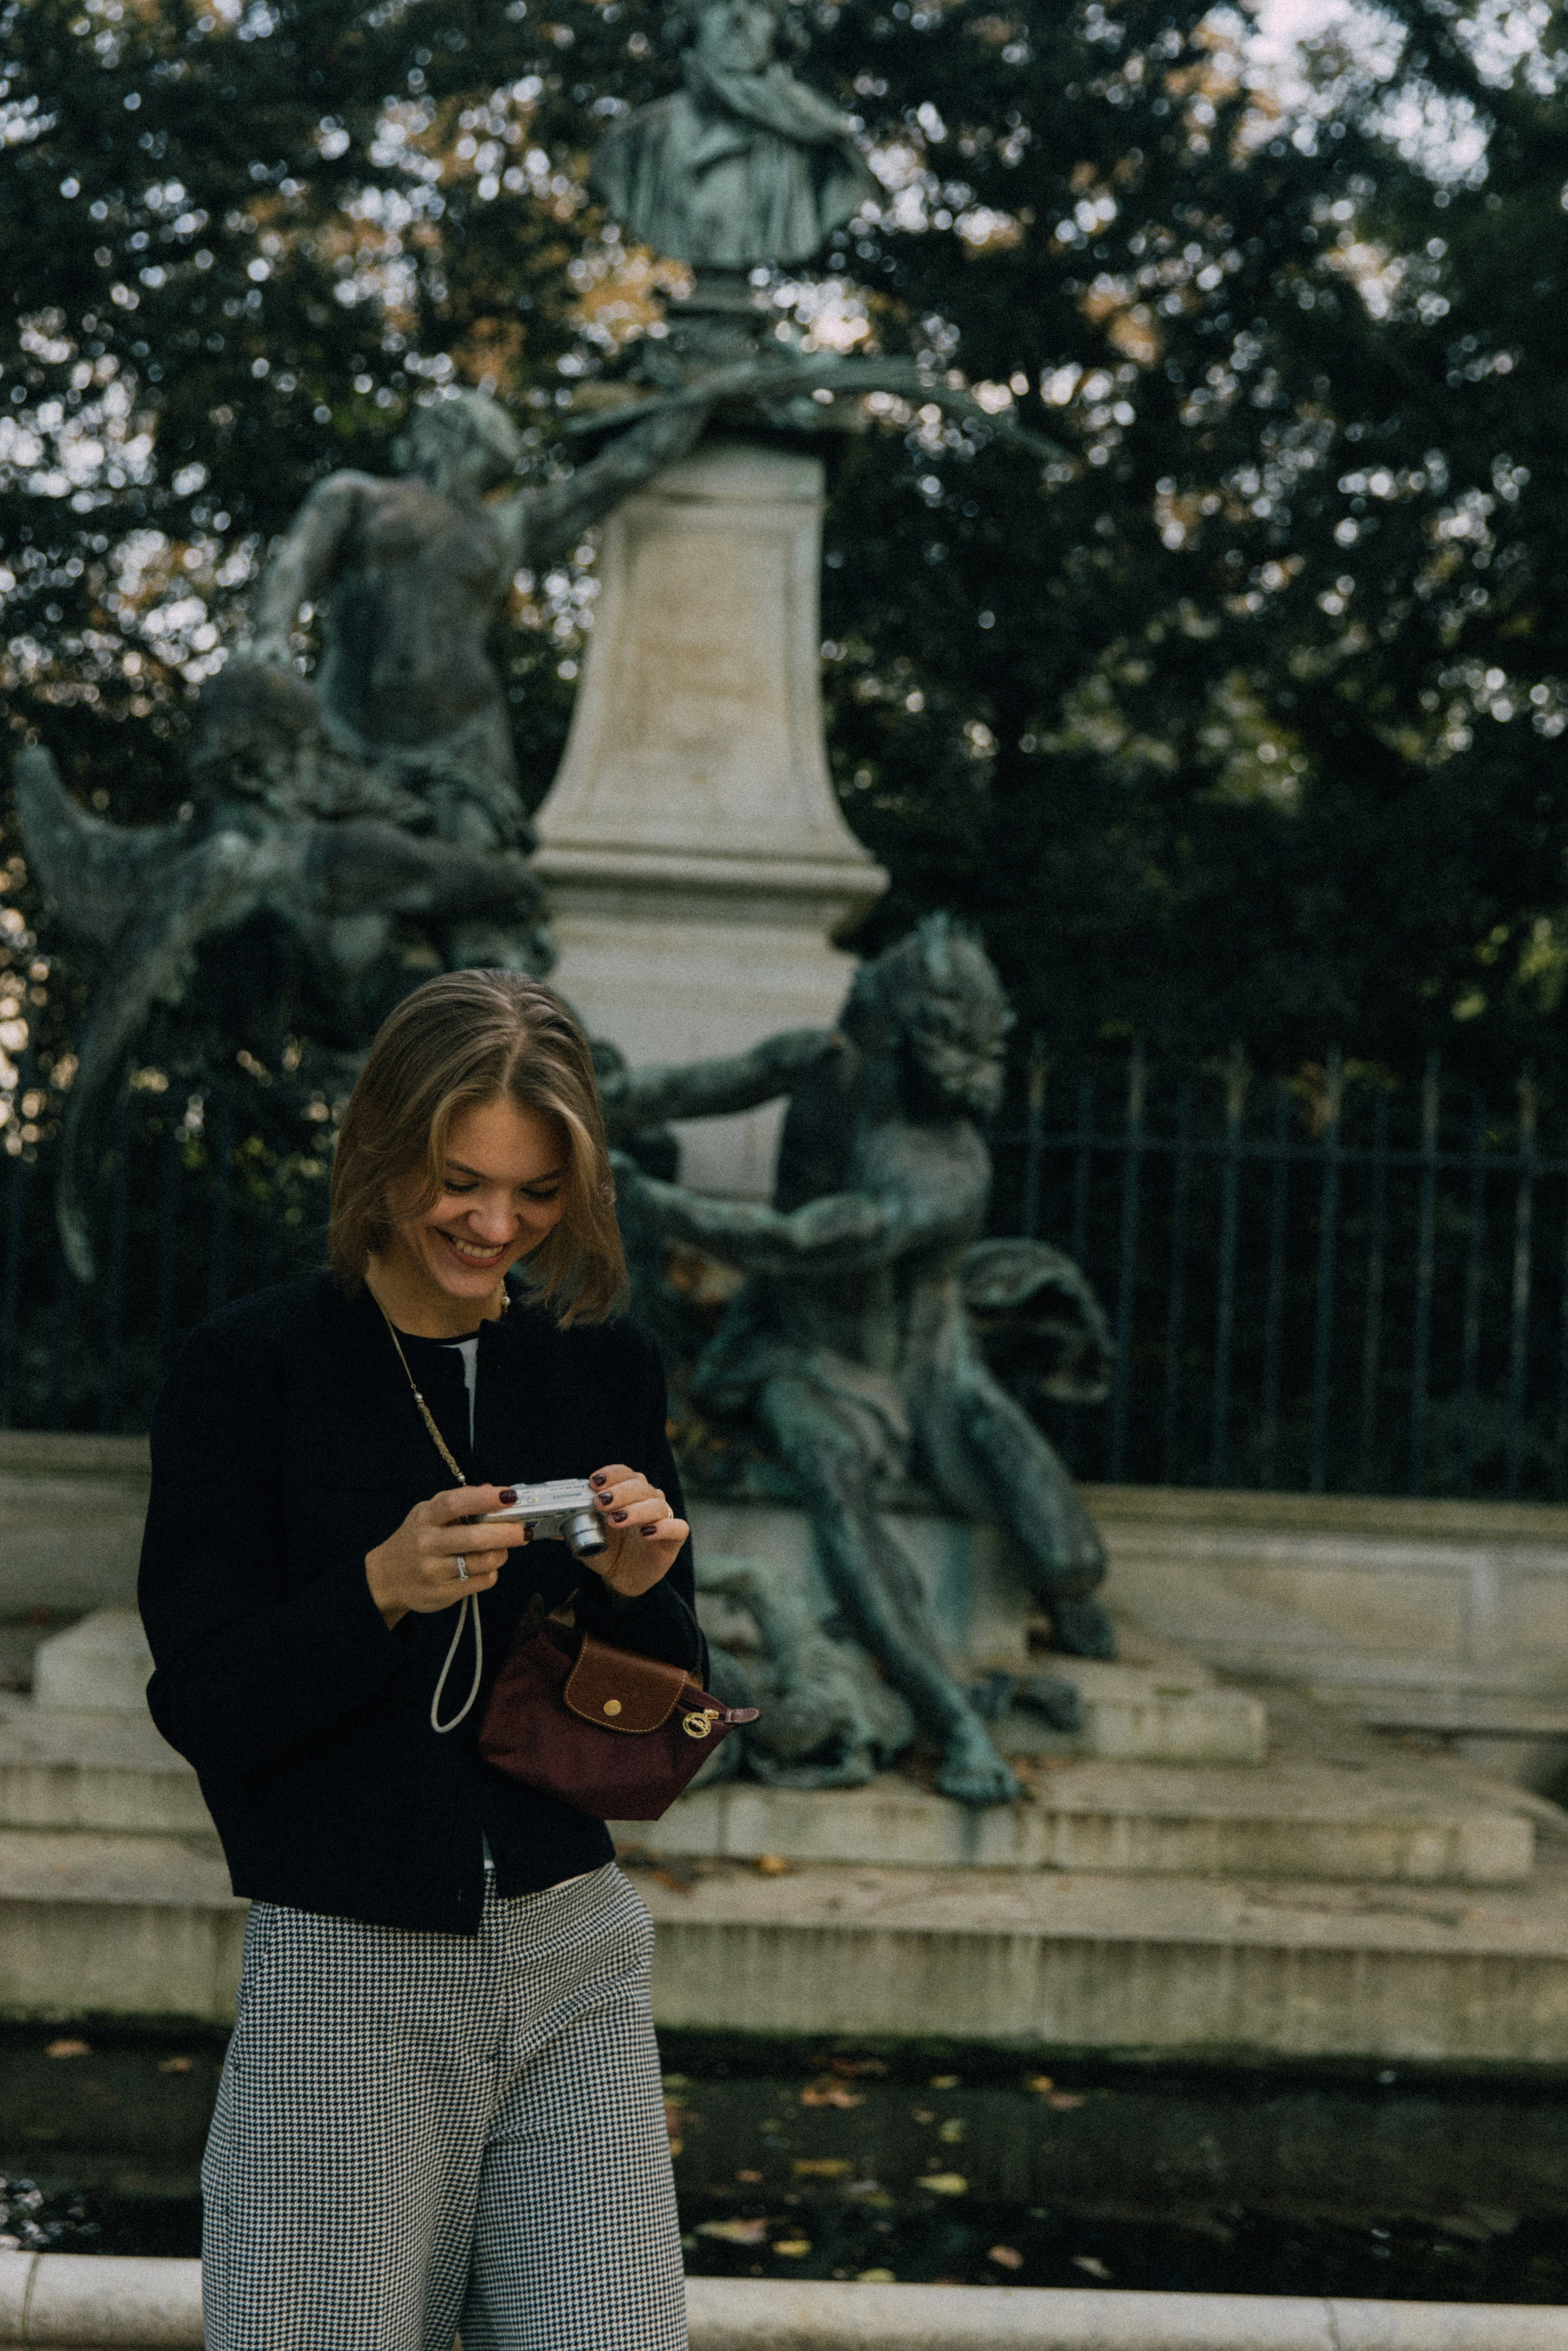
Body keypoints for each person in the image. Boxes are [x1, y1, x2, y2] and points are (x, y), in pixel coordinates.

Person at [137, 968, 700, 2351]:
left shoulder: (601, 1366)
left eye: (535, 1195)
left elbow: (655, 1724)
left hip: (576, 1951)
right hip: (346, 1964)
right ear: (380, 1146)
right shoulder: (249, 1367)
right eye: (459, 1181)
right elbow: (205, 1701)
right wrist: (376, 1589)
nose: (495, 1225)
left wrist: (639, 1592)